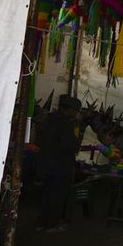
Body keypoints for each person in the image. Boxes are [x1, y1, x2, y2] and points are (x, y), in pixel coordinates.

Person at [36, 94, 81, 232]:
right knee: (57, 195)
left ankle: (42, 223)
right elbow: (69, 146)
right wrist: (77, 142)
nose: (76, 114)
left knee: (47, 194)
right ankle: (52, 224)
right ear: (70, 110)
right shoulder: (66, 124)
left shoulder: (48, 120)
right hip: (60, 166)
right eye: (76, 111)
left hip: (47, 164)